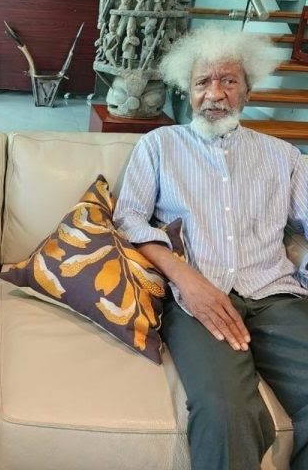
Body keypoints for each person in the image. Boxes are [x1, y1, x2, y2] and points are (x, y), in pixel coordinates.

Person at [114, 26, 308, 470]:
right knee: (224, 411)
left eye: (228, 81)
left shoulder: (284, 156)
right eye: (203, 81)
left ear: (248, 91)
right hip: (194, 301)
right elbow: (127, 220)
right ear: (188, 90)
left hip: (276, 295)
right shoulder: (159, 145)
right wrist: (186, 277)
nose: (214, 93)